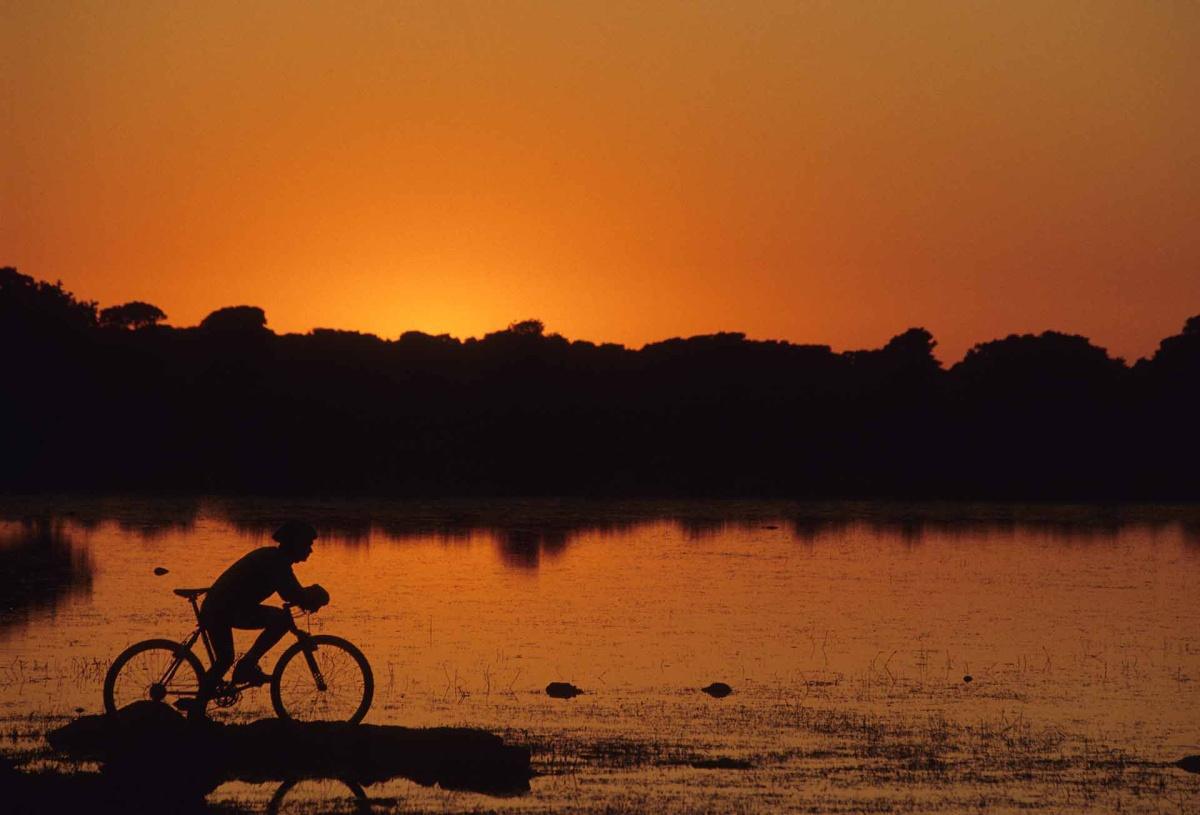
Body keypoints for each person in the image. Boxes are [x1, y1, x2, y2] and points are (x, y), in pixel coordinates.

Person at [198, 521, 328, 697]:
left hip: (226, 608)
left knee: (225, 659)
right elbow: (292, 594)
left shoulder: (277, 559)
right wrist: (314, 595)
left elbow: (293, 593)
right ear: (295, 544)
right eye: (307, 545)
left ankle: (246, 666)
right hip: (220, 610)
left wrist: (308, 597)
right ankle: (245, 668)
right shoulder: (276, 562)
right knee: (225, 660)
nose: (310, 550)